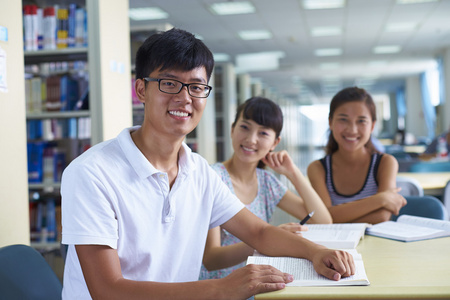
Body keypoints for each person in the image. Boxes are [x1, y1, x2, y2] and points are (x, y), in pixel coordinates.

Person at [61, 28, 355, 300]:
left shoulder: (198, 171)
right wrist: (222, 288)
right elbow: (107, 290)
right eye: (169, 83)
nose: (184, 97)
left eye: (196, 86)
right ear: (141, 90)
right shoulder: (91, 173)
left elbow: (258, 233)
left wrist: (316, 252)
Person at [199, 97, 332, 280]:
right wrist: (270, 240)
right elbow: (211, 259)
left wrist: (293, 173)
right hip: (220, 289)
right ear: (232, 129)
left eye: (263, 133)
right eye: (244, 127)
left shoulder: (266, 182)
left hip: (256, 285)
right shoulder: (213, 178)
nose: (251, 139)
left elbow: (323, 220)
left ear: (275, 143)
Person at [307, 87, 407, 224]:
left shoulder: (385, 163)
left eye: (361, 121)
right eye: (343, 119)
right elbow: (324, 218)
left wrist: (334, 216)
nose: (352, 130)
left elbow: (383, 216)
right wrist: (379, 200)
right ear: (330, 122)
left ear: (372, 126)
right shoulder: (318, 168)